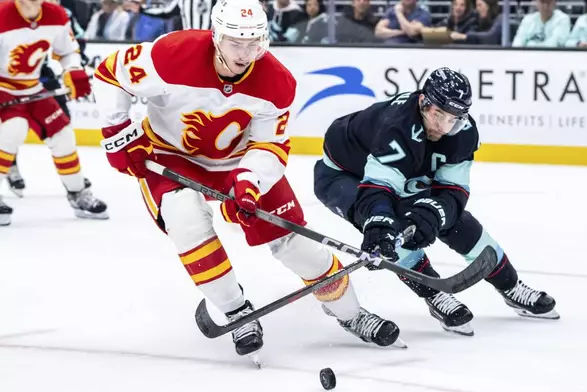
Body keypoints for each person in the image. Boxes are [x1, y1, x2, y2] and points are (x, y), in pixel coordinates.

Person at [93, 0, 401, 361]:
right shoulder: (170, 54)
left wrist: (249, 181)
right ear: (216, 37)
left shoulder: (277, 82)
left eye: (254, 42)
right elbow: (111, 74)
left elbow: (269, 144)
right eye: (236, 43)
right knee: (187, 221)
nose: (245, 53)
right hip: (169, 155)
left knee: (295, 243)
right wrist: (117, 130)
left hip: (238, 161)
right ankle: (237, 310)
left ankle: (350, 313)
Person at [313, 67, 559, 336]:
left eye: (453, 119)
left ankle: (511, 286)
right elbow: (378, 187)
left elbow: (453, 190)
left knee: (455, 222)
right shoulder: (397, 125)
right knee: (388, 228)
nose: (443, 127)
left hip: (404, 174)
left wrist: (435, 213)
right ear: (423, 102)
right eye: (438, 115)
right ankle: (434, 293)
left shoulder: (463, 133)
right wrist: (378, 223)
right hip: (342, 176)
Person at [0, 0, 108, 226]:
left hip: (33, 87)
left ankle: (78, 193)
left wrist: (73, 70)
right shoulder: (2, 14)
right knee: (12, 131)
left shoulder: (56, 15)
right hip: (3, 89)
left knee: (64, 136)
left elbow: (68, 50)